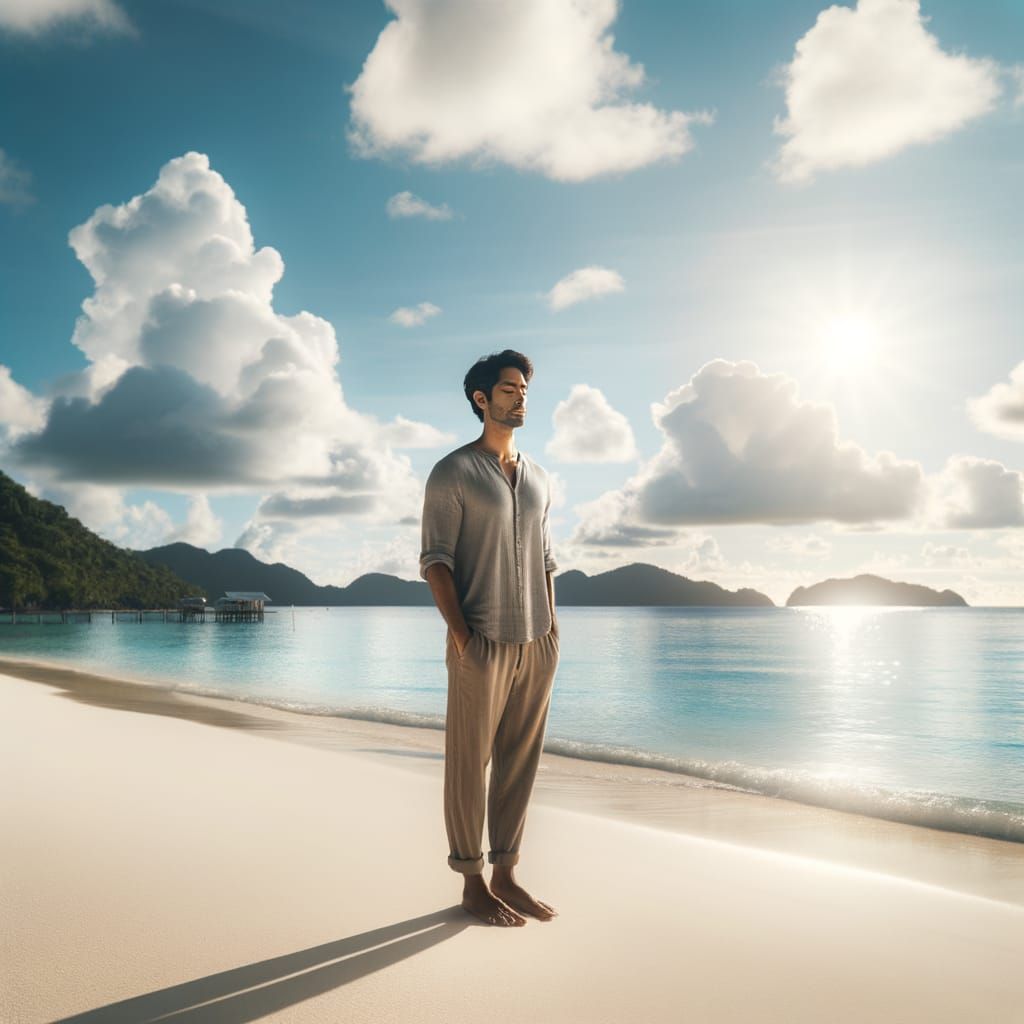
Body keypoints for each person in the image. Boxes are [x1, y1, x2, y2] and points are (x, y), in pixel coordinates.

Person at [420, 350, 560, 927]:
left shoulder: (540, 477)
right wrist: (460, 635)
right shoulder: (453, 472)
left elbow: (548, 559)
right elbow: (435, 561)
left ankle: (506, 873)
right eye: (508, 389)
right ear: (481, 399)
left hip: (537, 641)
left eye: (523, 388)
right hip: (480, 641)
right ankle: (471, 882)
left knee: (519, 764)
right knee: (468, 764)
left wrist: (552, 628)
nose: (519, 396)